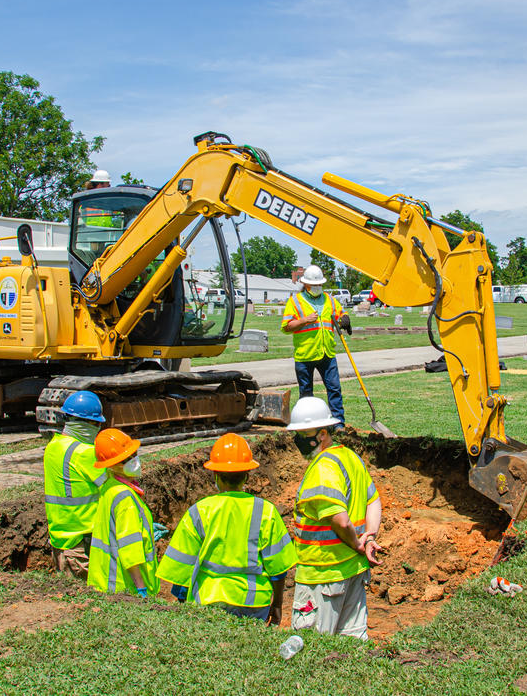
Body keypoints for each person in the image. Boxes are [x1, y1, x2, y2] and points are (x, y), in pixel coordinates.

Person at [156, 433, 297, 623]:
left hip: (209, 599)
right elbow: (278, 569)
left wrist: (183, 602)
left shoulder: (199, 511)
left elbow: (182, 566)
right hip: (254, 603)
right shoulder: (266, 511)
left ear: (216, 475)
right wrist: (277, 605)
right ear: (247, 475)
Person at [286, 396, 381, 639]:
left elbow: (339, 520)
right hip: (353, 572)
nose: (297, 440)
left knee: (312, 648)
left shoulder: (322, 469)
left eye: (301, 433)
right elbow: (373, 500)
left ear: (322, 434)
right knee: (352, 647)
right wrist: (369, 537)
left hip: (323, 575)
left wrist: (357, 543)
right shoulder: (349, 457)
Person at [43, 390, 107, 580]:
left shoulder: (53, 447)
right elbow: (116, 487)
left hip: (60, 539)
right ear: (90, 423)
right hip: (82, 542)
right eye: (96, 424)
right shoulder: (85, 453)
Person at [87, 428, 160, 597]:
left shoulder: (110, 486)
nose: (134, 461)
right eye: (126, 459)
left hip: (103, 581)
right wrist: (140, 588)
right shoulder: (125, 498)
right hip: (123, 587)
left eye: (134, 454)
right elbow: (130, 548)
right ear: (112, 465)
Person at [281, 265, 352, 429]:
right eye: (314, 285)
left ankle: (338, 423)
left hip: (327, 352)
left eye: (320, 284)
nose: (317, 287)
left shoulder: (329, 299)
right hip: (305, 354)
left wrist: (345, 318)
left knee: (334, 389)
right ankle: (309, 426)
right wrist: (304, 320)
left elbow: (340, 313)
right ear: (306, 285)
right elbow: (286, 327)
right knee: (306, 394)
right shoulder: (295, 302)